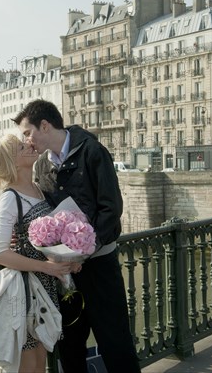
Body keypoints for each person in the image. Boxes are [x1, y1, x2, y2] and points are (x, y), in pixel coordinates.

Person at [13, 99, 141, 373]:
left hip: (99, 267)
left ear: (44, 125)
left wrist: (85, 251)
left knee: (114, 342)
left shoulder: (92, 152)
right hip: (66, 272)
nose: (27, 140)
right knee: (70, 344)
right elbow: (46, 215)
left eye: (27, 132)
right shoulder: (42, 167)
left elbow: (111, 209)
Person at [0, 133, 75, 373]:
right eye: (23, 146)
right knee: (28, 363)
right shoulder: (10, 198)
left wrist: (68, 258)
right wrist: (48, 267)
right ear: (14, 161)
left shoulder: (37, 189)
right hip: (24, 292)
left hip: (43, 287)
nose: (30, 145)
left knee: (40, 360)